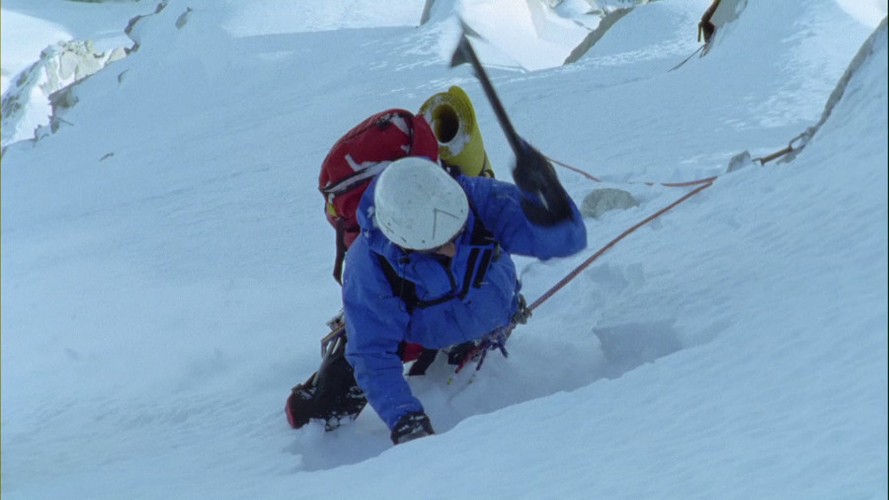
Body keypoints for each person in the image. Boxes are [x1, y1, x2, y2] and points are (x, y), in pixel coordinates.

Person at [342, 145, 586, 444]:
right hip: (418, 335)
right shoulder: (368, 268)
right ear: (402, 241)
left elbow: (568, 241)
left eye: (458, 233)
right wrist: (404, 416)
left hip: (492, 319)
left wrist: (548, 201)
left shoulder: (480, 200)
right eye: (436, 246)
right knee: (355, 359)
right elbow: (373, 352)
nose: (452, 249)